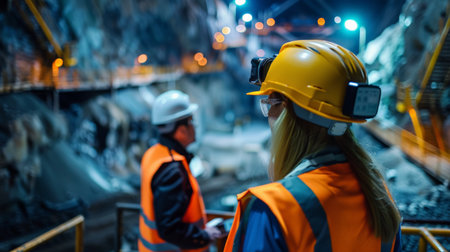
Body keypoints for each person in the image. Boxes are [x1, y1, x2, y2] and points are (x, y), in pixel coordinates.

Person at [224, 40, 402, 252]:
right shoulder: (378, 194)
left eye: (270, 103)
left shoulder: (273, 208)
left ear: (285, 111)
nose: (269, 114)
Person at [139, 90, 223, 252]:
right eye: (191, 121)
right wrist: (204, 236)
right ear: (180, 130)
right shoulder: (172, 170)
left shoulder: (154, 154)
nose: (195, 126)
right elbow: (169, 228)